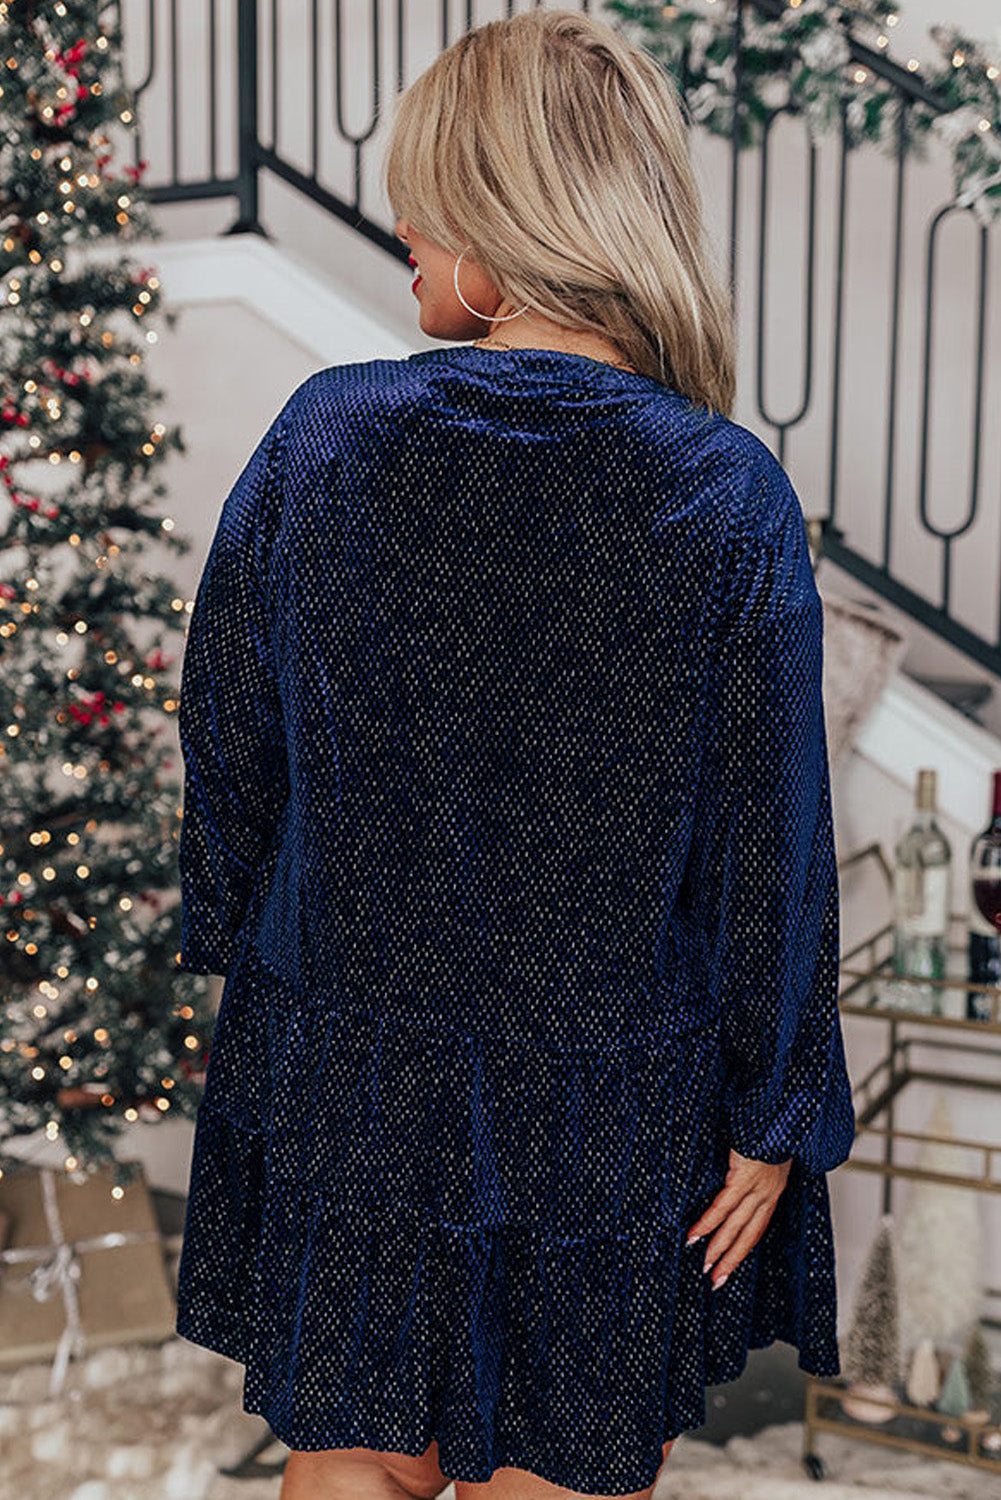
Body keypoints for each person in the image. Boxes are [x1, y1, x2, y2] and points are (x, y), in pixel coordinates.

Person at [172, 9, 856, 1499]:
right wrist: (776, 1109)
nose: (402, 231)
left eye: (426, 198)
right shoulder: (722, 493)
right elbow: (771, 845)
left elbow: (229, 739)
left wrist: (249, 963)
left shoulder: (326, 438)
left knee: (351, 1463)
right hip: (603, 1104)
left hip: (356, 1067)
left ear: (511, 218)